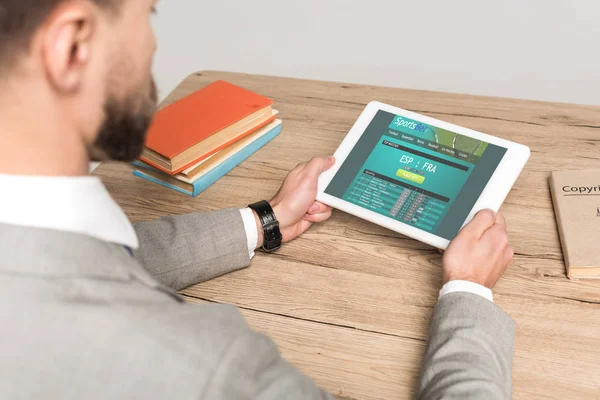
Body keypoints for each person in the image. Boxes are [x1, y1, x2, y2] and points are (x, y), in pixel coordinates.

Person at [0, 1, 515, 399]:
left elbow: (80, 262)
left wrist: (263, 221)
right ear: (71, 48)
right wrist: (468, 295)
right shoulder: (205, 367)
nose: (152, 43)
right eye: (145, 13)